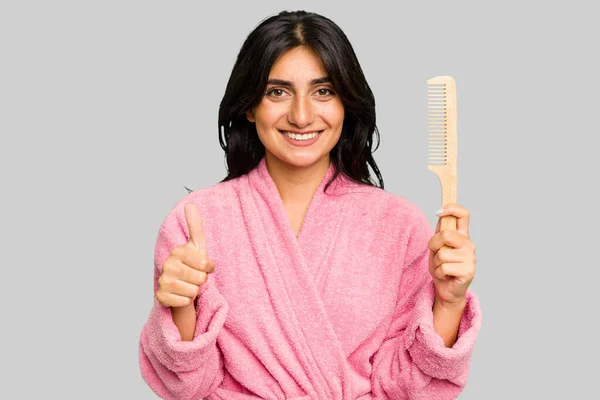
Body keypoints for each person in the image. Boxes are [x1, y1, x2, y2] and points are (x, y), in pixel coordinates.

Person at [138, 9, 481, 400]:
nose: (301, 116)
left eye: (323, 91)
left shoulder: (400, 225)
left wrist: (450, 303)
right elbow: (187, 387)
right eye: (277, 92)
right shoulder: (195, 222)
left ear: (345, 105)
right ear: (250, 106)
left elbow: (409, 388)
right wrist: (182, 306)